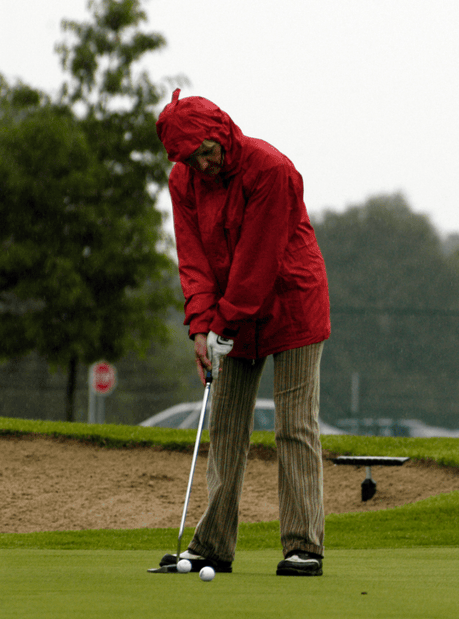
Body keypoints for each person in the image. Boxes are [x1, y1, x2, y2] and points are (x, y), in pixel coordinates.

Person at [154, 89, 331, 577]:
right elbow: (193, 258)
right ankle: (212, 545)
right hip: (230, 313)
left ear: (222, 132)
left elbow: (258, 259)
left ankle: (303, 546)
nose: (203, 164)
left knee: (294, 426)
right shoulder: (183, 181)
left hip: (292, 304)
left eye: (207, 151)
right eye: (190, 158)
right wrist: (200, 328)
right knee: (226, 426)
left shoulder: (270, 169)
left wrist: (222, 325)